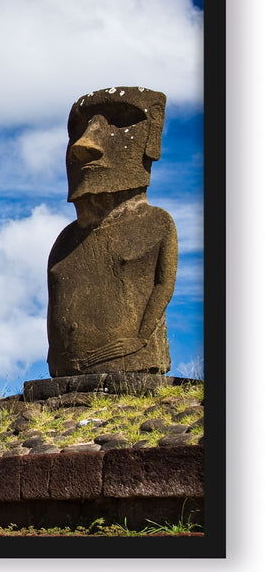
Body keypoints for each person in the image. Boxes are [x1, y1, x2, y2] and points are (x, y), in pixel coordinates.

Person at [47, 87, 177, 376]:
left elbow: (163, 286)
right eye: (78, 129)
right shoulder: (65, 241)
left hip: (132, 362)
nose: (85, 144)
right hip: (65, 372)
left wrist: (139, 341)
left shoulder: (156, 223)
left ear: (151, 138)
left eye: (120, 122)